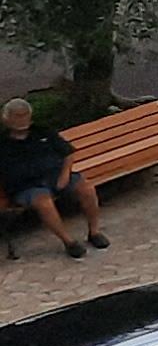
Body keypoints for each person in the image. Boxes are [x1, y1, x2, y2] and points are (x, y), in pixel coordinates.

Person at [0, 99, 103, 257]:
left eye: (25, 116)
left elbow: (68, 153)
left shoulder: (43, 132)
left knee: (86, 188)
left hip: (55, 176)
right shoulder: (3, 143)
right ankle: (69, 242)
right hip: (26, 186)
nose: (22, 120)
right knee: (44, 202)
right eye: (17, 116)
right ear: (6, 119)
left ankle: (94, 232)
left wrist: (64, 175)